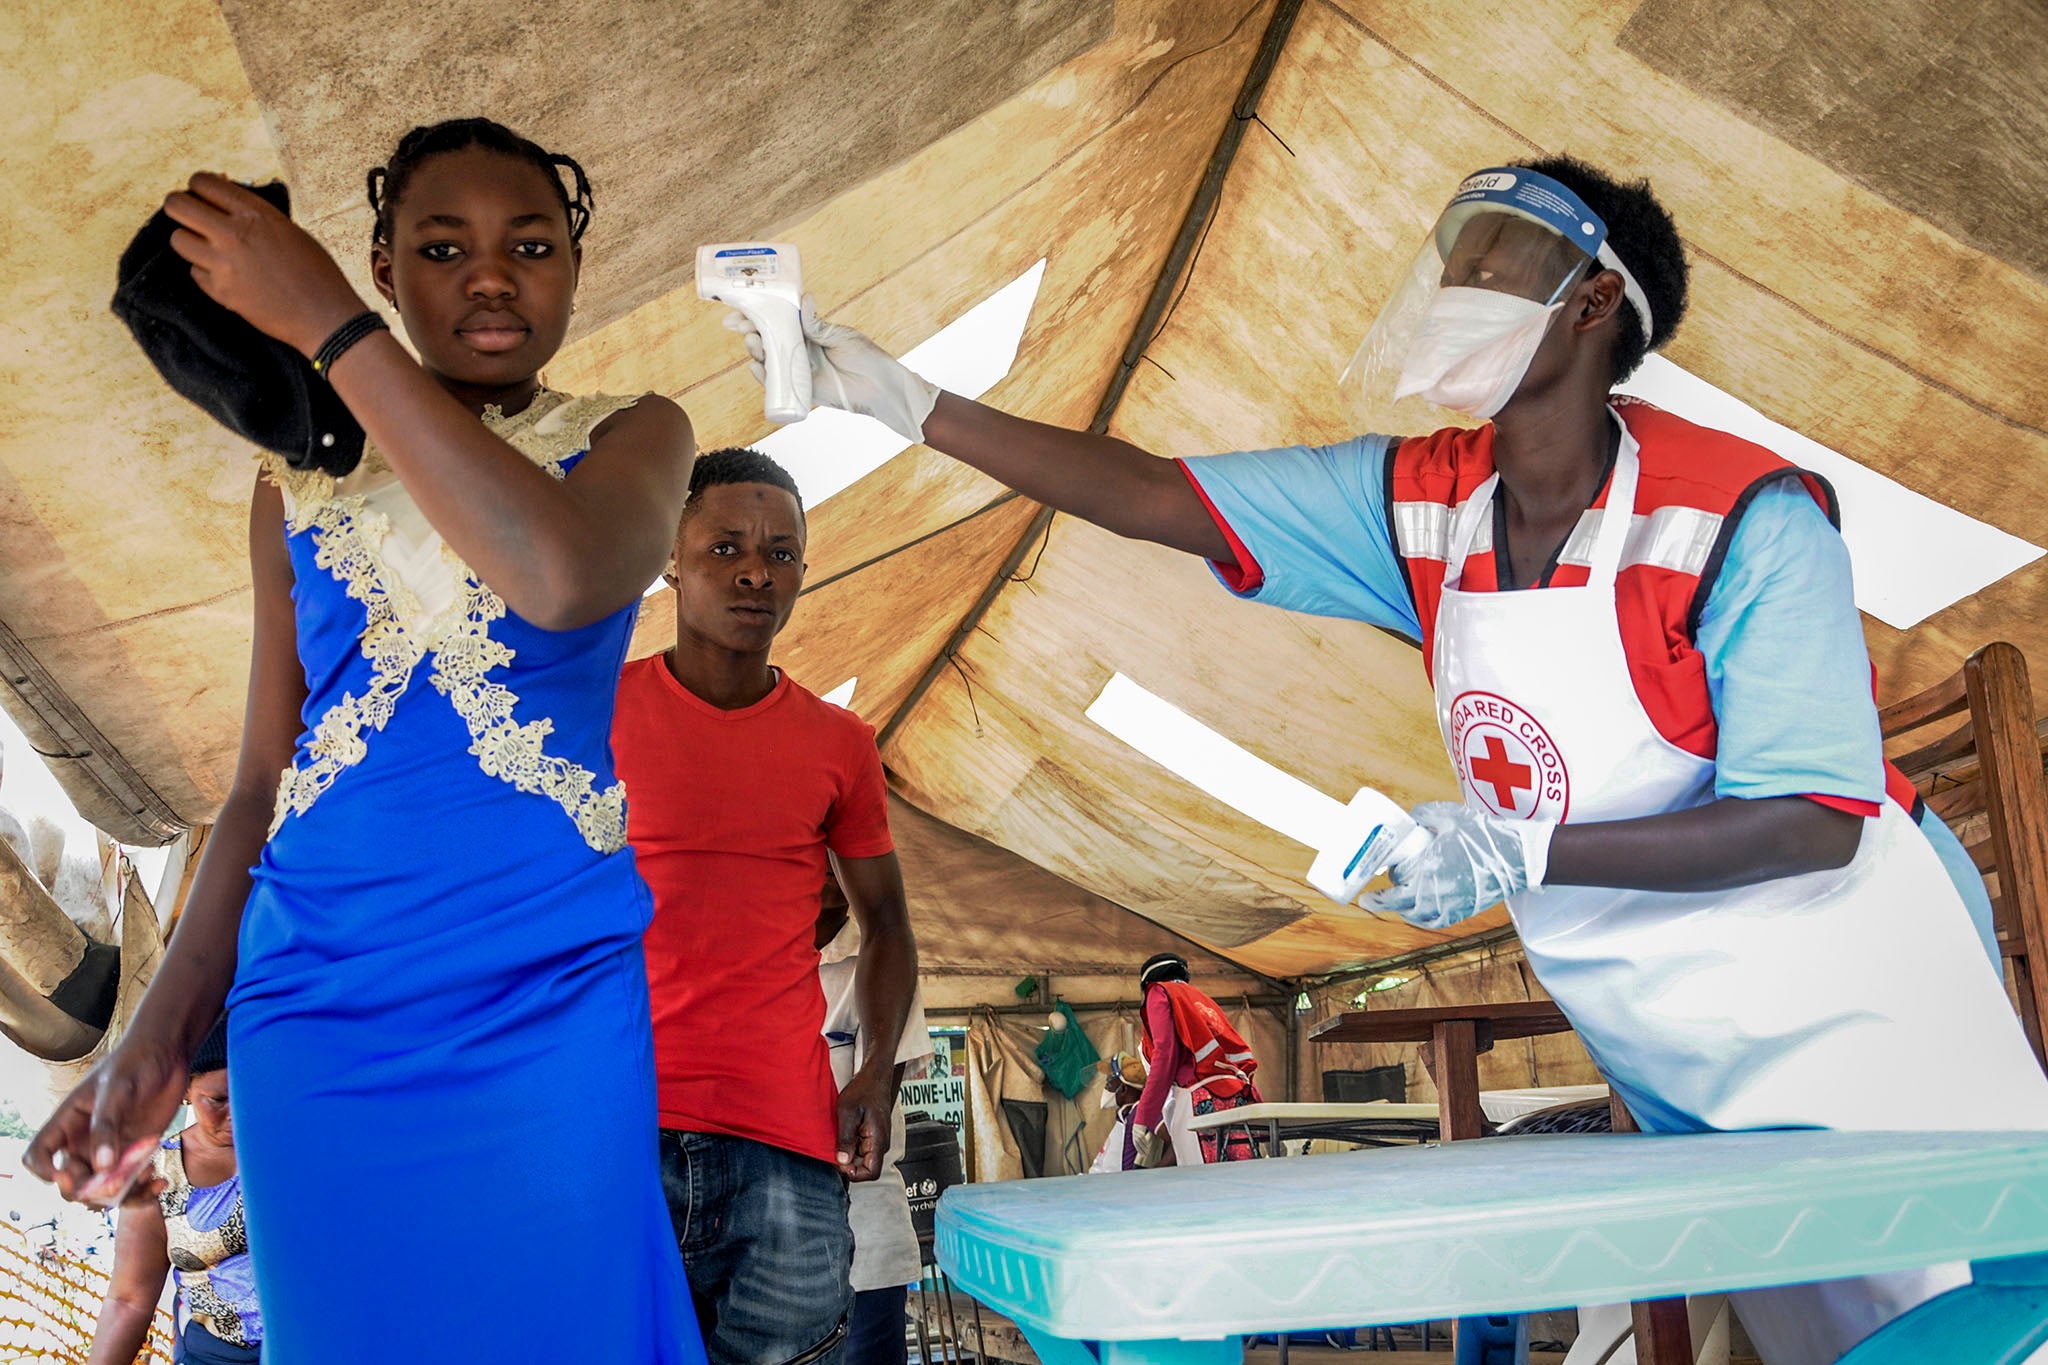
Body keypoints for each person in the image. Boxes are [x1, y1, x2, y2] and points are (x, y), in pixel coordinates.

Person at [726, 155, 2048, 1362]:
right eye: (1454, 258)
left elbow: (1811, 818)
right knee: (1836, 1337)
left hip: (1861, 995)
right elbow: (1153, 495)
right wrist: (891, 394)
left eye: (1493, 263)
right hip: (1673, 1034)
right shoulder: (1421, 502)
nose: (1454, 287)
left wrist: (1518, 847)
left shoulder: (1746, 518)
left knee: (1989, 1319)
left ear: (1592, 305)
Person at [29, 118, 703, 1364]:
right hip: (317, 1006)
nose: (491, 275)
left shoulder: (635, 435)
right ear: (389, 265)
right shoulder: (294, 489)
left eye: (531, 245)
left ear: (573, 268)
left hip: (541, 987)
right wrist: (154, 1048)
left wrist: (334, 333)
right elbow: (253, 793)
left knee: (570, 1325)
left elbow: (563, 578)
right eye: (441, 248)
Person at [612, 446, 920, 1365]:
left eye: (782, 553)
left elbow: (888, 926)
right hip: (618, 1130)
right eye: (726, 547)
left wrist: (876, 1075)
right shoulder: (594, 714)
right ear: (671, 555)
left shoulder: (841, 744)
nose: (756, 571)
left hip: (787, 1144)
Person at [86, 1015, 260, 1365]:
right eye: (218, 1100)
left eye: (250, 1092)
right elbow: (128, 1298)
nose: (236, 1112)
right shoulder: (157, 1172)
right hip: (214, 1355)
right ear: (185, 1090)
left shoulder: (293, 1151)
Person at [816, 871, 933, 1365]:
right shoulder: (754, 957)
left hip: (864, 1231)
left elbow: (876, 1103)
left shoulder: (882, 962)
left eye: (830, 863)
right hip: (771, 1238)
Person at [1126, 953, 1260, 1169]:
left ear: (1147, 981)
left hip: (1198, 1099)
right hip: (1237, 1099)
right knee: (1242, 1182)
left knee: (1202, 1186)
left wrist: (1144, 1117)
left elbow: (1165, 1055)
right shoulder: (1202, 999)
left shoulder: (1159, 992)